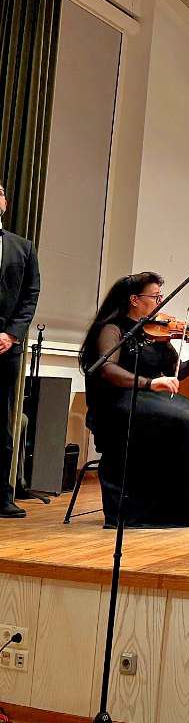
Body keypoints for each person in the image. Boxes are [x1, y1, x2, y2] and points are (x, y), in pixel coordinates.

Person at [80, 272, 189, 528]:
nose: (161, 301)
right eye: (156, 296)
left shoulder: (154, 331)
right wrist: (150, 383)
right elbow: (107, 369)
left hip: (152, 399)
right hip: (120, 402)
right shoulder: (112, 329)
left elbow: (177, 372)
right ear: (134, 299)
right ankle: (187, 509)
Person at [0, 182, 40, 519]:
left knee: (3, 422)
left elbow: (30, 294)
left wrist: (11, 334)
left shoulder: (23, 246)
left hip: (4, 347)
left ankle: (2, 495)